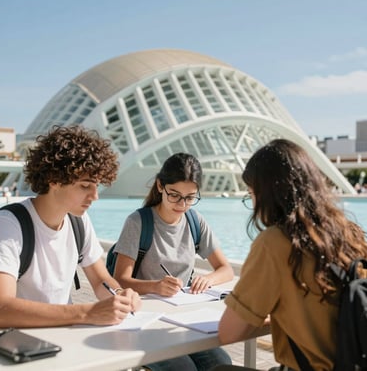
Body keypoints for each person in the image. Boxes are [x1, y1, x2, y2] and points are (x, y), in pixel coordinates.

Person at [213, 139, 367, 371]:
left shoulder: (276, 243)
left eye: (252, 194)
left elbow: (228, 333)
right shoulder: (351, 234)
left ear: (268, 194)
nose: (252, 202)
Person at [0, 125, 141, 328]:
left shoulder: (78, 221)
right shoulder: (8, 225)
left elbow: (100, 281)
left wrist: (121, 295)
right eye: (85, 186)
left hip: (64, 336)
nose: (95, 196)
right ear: (54, 180)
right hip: (20, 343)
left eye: (96, 186)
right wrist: (87, 312)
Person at [113, 152, 234, 370]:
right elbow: (120, 280)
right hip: (145, 321)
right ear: (160, 186)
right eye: (175, 195)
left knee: (222, 364)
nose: (182, 204)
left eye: (190, 197)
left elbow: (225, 269)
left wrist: (207, 279)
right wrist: (155, 287)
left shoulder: (195, 221)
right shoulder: (138, 222)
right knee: (184, 368)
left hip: (181, 319)